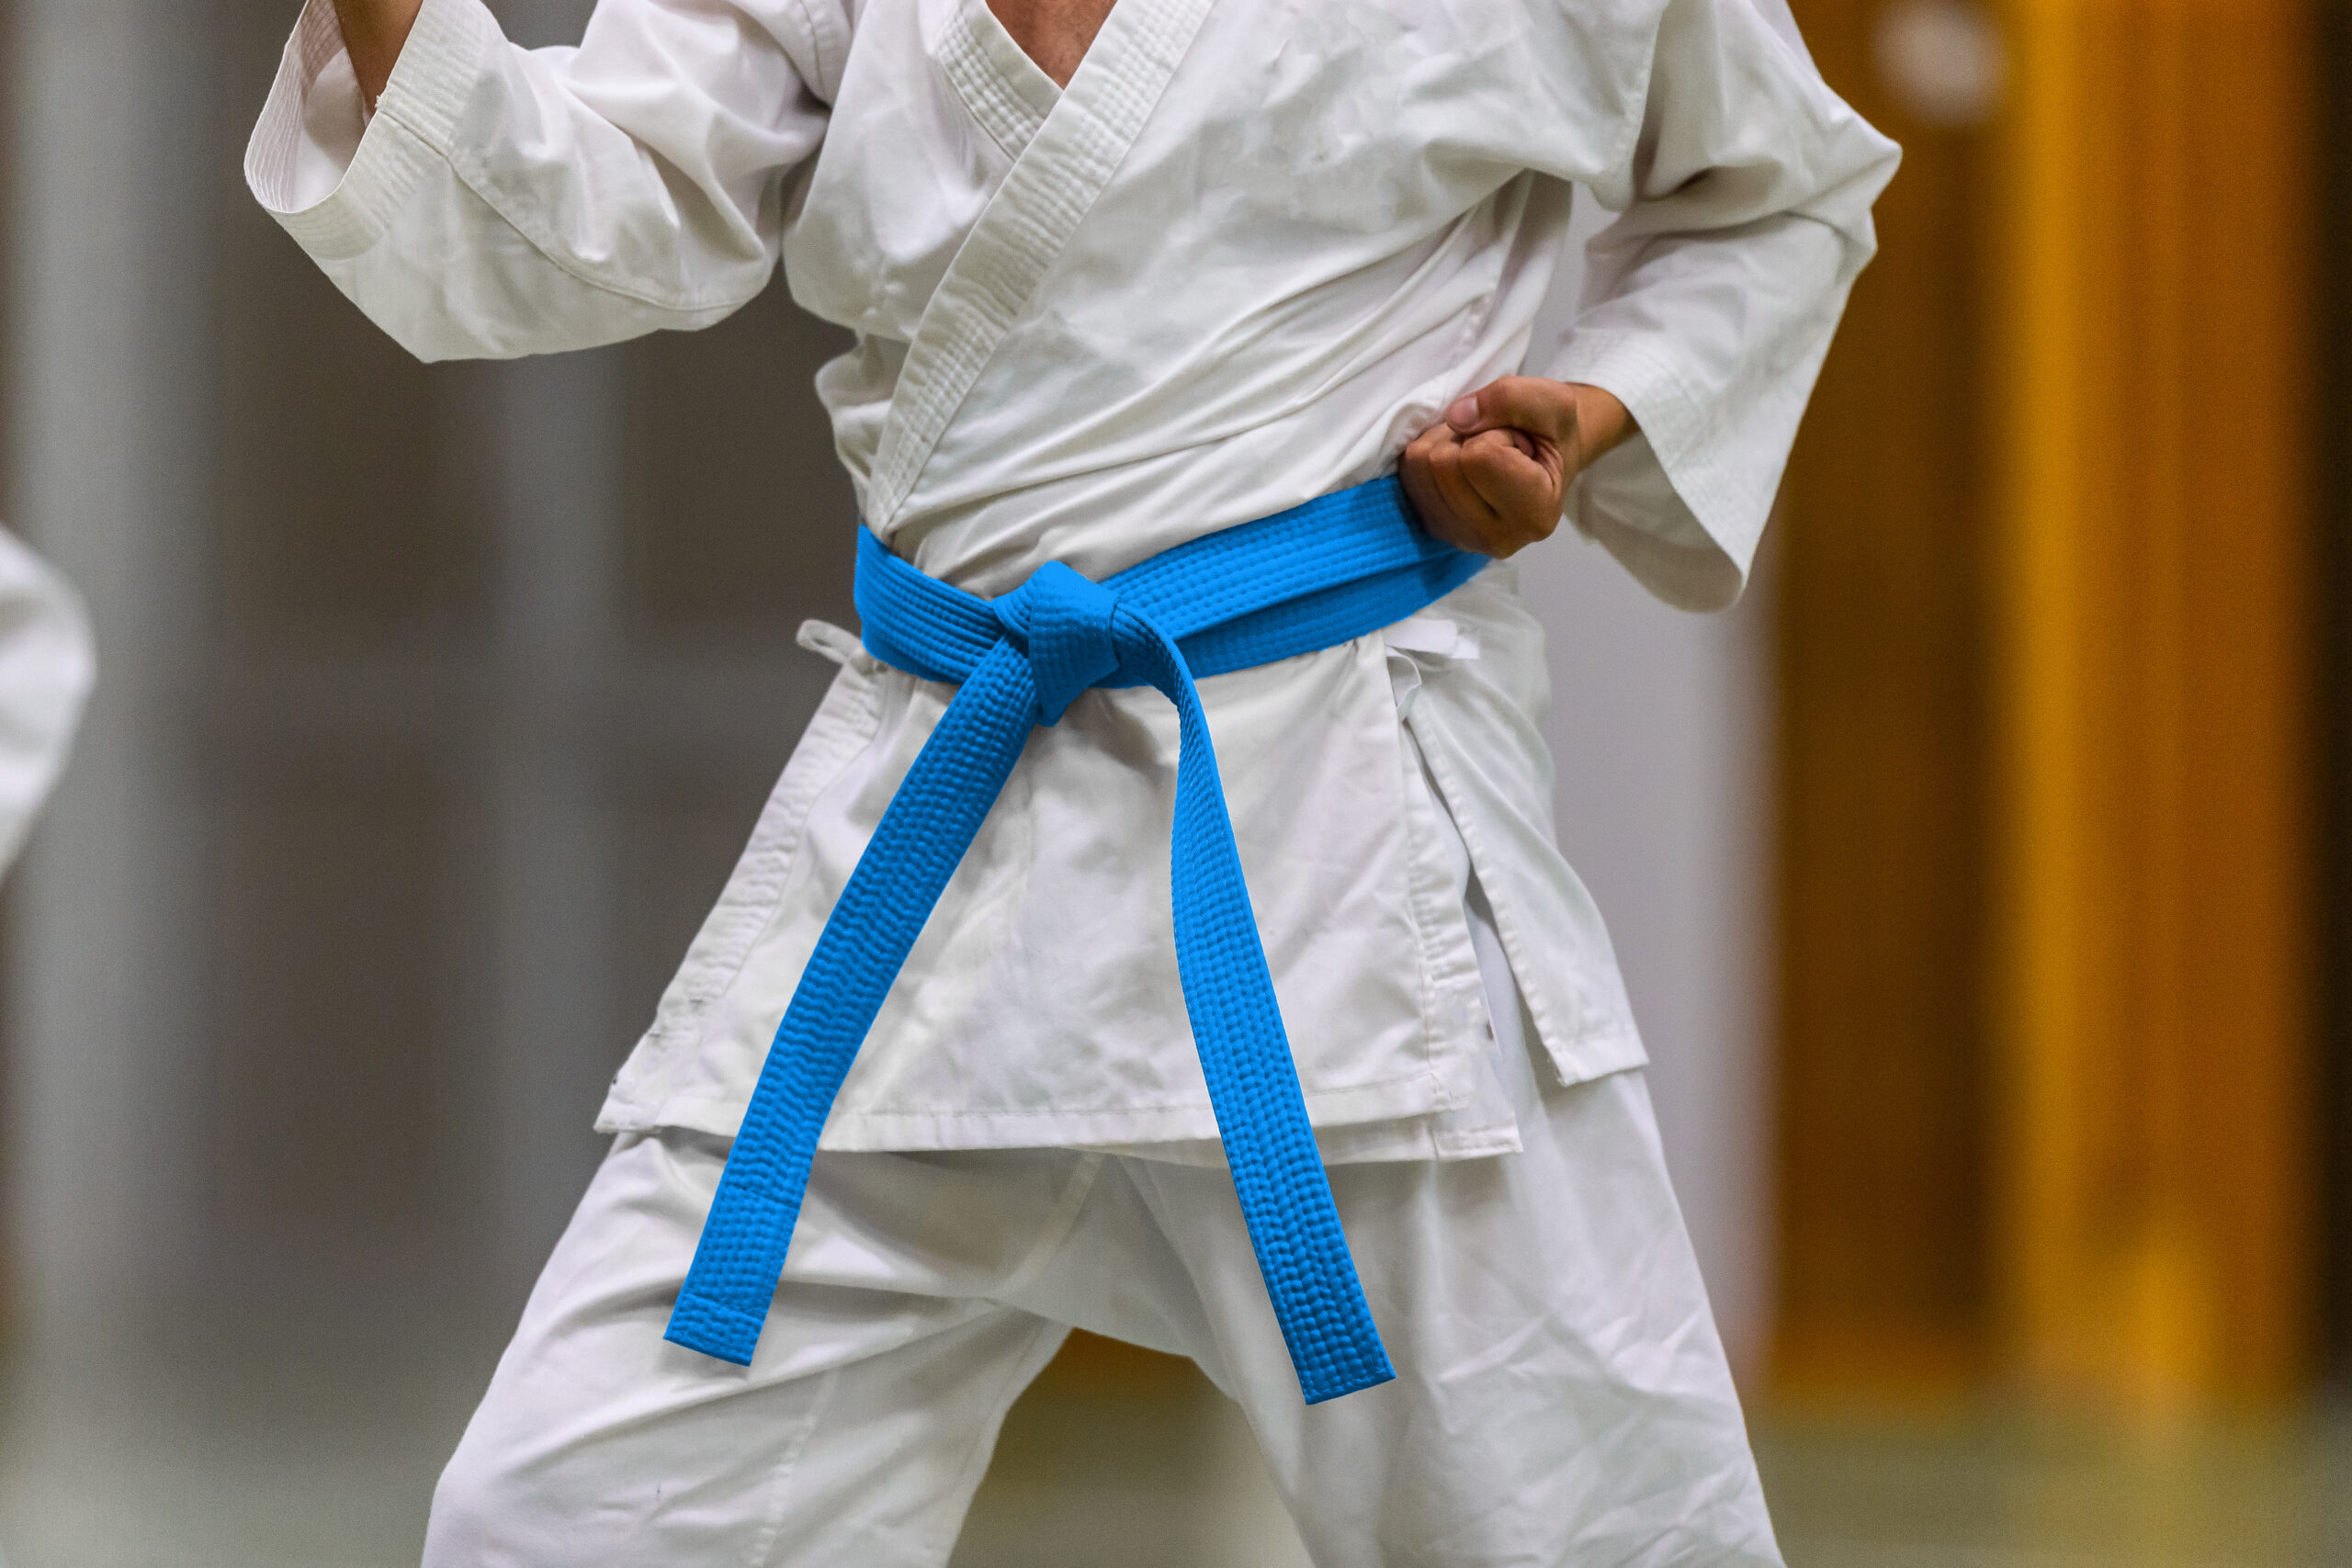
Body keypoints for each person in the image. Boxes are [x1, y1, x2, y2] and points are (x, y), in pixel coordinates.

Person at [245, 0, 1896, 1561]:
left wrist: (1596, 412)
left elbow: (1774, 194)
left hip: (1338, 869)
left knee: (1590, 1526)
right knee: (563, 1523)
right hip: (931, 859)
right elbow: (596, 202)